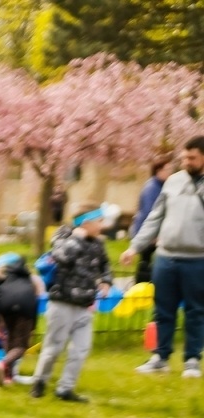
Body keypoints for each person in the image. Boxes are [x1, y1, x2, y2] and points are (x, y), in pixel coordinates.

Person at [125, 136, 204, 377]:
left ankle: (192, 360)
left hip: (197, 259)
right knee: (162, 309)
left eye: (191, 158)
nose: (186, 162)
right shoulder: (172, 182)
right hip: (166, 257)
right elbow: (154, 218)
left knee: (195, 311)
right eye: (184, 157)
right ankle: (160, 356)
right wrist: (135, 247)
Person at [28, 202, 112, 402]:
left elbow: (105, 264)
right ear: (86, 222)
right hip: (62, 303)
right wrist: (76, 239)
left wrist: (106, 281)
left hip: (84, 305)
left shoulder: (98, 244)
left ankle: (65, 388)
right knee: (54, 346)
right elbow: (61, 257)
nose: (102, 226)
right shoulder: (64, 237)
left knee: (81, 348)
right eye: (99, 221)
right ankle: (40, 381)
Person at [0, 252, 44, 386]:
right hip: (25, 309)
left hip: (5, 308)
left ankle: (7, 377)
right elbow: (34, 301)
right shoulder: (28, 278)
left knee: (11, 340)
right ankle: (3, 364)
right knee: (21, 346)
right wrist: (33, 325)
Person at [131, 158, 173, 286]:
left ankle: (145, 287)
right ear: (158, 171)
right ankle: (141, 289)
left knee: (147, 261)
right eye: (168, 170)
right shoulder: (152, 188)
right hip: (148, 232)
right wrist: (153, 235)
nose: (170, 172)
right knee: (146, 262)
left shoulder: (159, 185)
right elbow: (149, 212)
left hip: (150, 232)